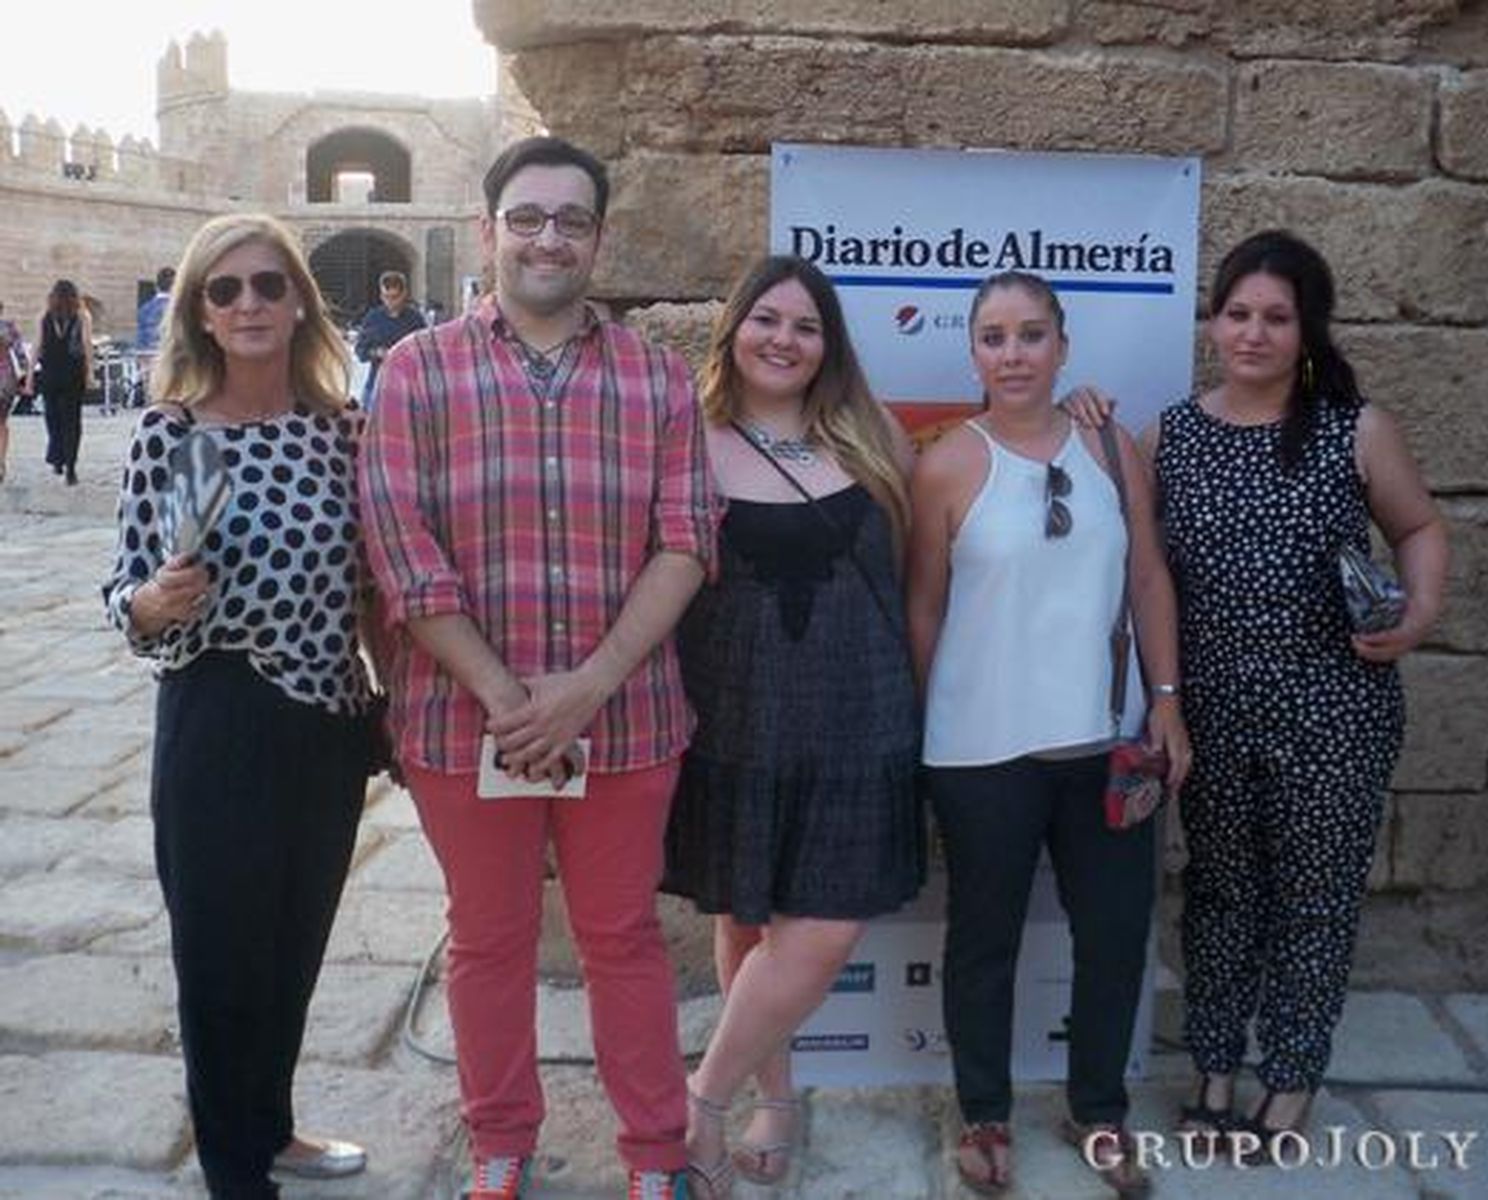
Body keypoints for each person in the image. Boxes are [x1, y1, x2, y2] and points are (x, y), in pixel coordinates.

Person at [359, 135, 717, 1200]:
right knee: (487, 938)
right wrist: (511, 701)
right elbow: (400, 548)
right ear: (488, 231)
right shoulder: (419, 371)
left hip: (627, 719)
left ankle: (656, 1154)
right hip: (464, 724)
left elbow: (688, 540)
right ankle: (501, 1143)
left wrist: (589, 686)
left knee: (621, 938)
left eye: (570, 219)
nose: (548, 237)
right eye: (527, 217)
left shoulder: (655, 377)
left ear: (598, 237)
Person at [1071, 229, 1448, 1159]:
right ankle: (1212, 1066)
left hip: (1336, 712)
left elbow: (1420, 526)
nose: (1253, 333)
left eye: (1276, 317)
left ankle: (1290, 1076)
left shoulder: (1354, 429)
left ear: (1306, 329)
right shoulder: (1175, 433)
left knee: (1315, 897)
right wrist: (1084, 421)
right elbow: (1137, 561)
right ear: (1213, 320)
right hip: (1212, 712)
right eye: (1237, 313)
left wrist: (1421, 614)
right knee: (1220, 893)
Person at [101, 213, 378, 1198]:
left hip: (329, 720)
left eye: (268, 285)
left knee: (294, 944)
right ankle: (233, 1171)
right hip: (218, 715)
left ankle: (273, 1127)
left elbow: (381, 586)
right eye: (226, 291)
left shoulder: (343, 431)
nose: (249, 303)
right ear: (201, 316)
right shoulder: (172, 435)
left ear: (299, 301)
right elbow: (127, 596)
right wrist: (154, 602)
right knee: (220, 958)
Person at [906, 270, 1191, 1197]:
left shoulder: (1111, 444)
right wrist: (915, 734)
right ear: (974, 351)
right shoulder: (945, 463)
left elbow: (1148, 576)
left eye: (1032, 335)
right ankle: (984, 1112)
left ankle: (1098, 1110)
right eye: (994, 336)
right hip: (979, 750)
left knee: (1113, 936)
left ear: (1063, 345)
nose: (1014, 353)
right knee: (984, 938)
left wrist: (1166, 699)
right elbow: (924, 611)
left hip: (1103, 742)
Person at [660, 255, 924, 1198]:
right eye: (766, 319)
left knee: (822, 934)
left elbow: (920, 570)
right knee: (746, 914)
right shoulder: (687, 437)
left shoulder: (874, 437)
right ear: (733, 330)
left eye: (806, 326)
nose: (784, 339)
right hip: (736, 714)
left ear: (829, 346)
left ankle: (700, 1105)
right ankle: (778, 1097)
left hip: (863, 715)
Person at [27, 279, 94, 484]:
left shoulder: (44, 316)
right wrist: (89, 373)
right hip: (73, 374)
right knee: (72, 421)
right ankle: (71, 468)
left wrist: (30, 376)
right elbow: (87, 346)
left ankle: (57, 457)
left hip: (50, 373)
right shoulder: (82, 316)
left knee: (52, 417)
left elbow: (36, 346)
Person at [353, 270, 426, 408]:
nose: (390, 302)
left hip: (407, 386)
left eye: (395, 297)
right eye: (386, 297)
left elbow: (425, 351)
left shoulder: (415, 319)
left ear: (404, 293)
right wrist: (377, 353)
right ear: (381, 295)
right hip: (377, 384)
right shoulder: (373, 318)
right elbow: (360, 351)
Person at [0, 302, 23, 480]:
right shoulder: (9, 328)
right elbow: (21, 354)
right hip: (6, 381)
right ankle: (1, 461)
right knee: (2, 423)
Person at [138, 266, 176, 352]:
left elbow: (140, 342)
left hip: (149, 358)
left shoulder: (144, 309)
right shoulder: (181, 310)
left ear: (156, 286)